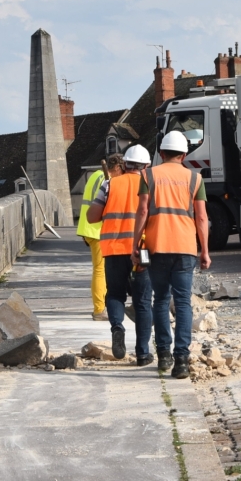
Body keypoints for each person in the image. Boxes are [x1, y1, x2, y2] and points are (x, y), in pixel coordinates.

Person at [132, 130, 212, 379]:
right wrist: (205, 251)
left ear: (161, 152)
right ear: (184, 154)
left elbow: (143, 211)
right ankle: (181, 360)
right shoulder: (195, 179)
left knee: (160, 300)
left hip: (157, 247)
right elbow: (201, 217)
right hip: (186, 249)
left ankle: (164, 355)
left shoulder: (148, 174)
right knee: (184, 302)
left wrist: (136, 244)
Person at [86, 145, 155, 366]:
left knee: (115, 294)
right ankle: (143, 353)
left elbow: (92, 217)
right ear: (146, 166)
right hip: (142, 250)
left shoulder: (109, 184)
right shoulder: (150, 185)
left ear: (125, 165)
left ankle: (117, 327)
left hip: (114, 249)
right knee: (143, 301)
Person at [76, 159, 108, 320]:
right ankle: (99, 310)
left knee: (101, 269)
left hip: (89, 228)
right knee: (100, 270)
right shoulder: (106, 180)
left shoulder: (95, 175)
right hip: (98, 229)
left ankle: (102, 304)